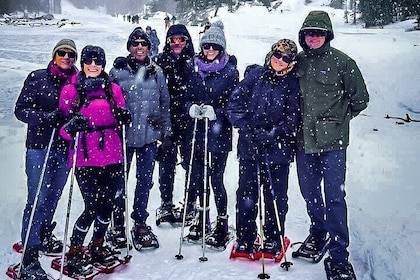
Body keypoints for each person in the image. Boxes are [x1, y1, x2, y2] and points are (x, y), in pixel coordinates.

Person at [295, 10, 369, 279]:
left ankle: (339, 255)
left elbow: (360, 99)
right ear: (303, 36)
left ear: (327, 35)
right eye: (309, 33)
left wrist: (338, 121)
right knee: (309, 192)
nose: (314, 38)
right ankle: (318, 233)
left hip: (333, 144)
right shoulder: (298, 62)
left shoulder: (343, 63)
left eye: (319, 33)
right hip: (303, 143)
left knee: (335, 198)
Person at [58, 45, 131, 276]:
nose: (93, 65)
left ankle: (97, 244)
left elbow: (122, 114)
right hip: (85, 158)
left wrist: (124, 116)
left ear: (103, 63)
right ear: (82, 63)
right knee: (92, 206)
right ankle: (75, 249)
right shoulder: (71, 91)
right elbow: (62, 131)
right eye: (88, 61)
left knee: (107, 205)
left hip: (112, 156)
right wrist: (70, 127)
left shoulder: (113, 90)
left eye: (97, 61)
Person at [227, 39, 300, 256]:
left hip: (278, 148)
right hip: (250, 144)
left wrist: (274, 133)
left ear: (291, 62)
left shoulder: (292, 83)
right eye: (277, 55)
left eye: (286, 58)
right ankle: (245, 236)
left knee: (275, 195)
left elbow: (293, 115)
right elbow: (234, 104)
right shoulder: (255, 76)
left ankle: (273, 237)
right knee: (247, 192)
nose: (280, 60)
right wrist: (247, 128)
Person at [14, 39, 78, 279]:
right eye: (62, 52)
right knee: (38, 197)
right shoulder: (38, 78)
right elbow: (21, 110)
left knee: (53, 196)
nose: (66, 57)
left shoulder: (77, 81)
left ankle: (42, 233)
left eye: (71, 54)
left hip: (63, 147)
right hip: (40, 146)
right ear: (54, 55)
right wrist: (45, 117)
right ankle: (29, 256)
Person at [109, 27, 171, 249]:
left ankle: (140, 222)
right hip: (123, 137)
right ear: (129, 47)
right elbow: (108, 102)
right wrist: (116, 117)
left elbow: (165, 103)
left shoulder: (157, 72)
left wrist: (166, 133)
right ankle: (117, 224)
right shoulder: (117, 72)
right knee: (119, 183)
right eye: (135, 43)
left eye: (143, 44)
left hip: (148, 136)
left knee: (144, 181)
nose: (139, 47)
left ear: (149, 47)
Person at [184, 20, 239, 246]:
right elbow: (184, 95)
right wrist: (190, 107)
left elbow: (235, 104)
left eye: (214, 47)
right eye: (206, 46)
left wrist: (216, 111)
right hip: (196, 131)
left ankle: (222, 222)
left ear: (221, 49)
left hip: (218, 133)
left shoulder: (229, 72)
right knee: (197, 177)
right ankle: (202, 218)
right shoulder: (192, 68)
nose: (210, 51)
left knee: (215, 178)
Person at [153, 24, 196, 224]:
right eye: (173, 40)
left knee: (191, 162)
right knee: (167, 163)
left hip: (189, 120)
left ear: (187, 42)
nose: (177, 44)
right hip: (167, 121)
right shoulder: (160, 62)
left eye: (181, 40)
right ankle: (166, 202)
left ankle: (191, 203)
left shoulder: (194, 63)